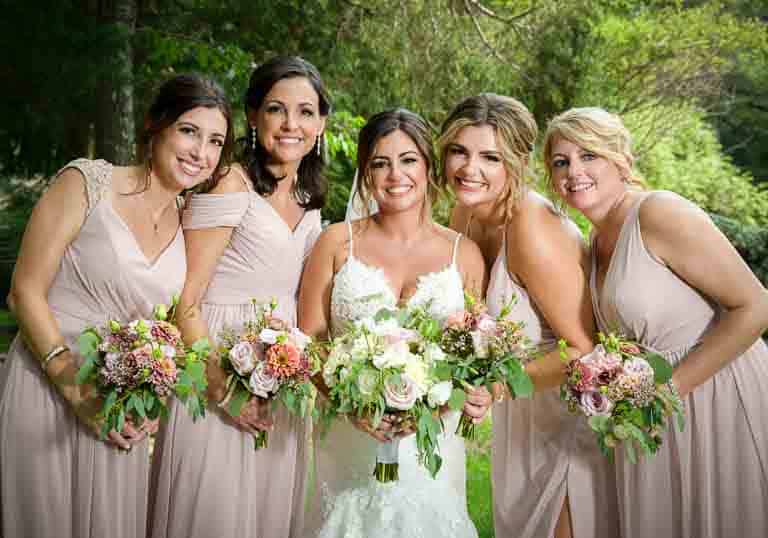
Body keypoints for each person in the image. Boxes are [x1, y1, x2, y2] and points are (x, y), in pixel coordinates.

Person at [1, 73, 232, 538]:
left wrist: (149, 397)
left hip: (119, 408)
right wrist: (77, 394)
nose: (200, 152)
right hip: (49, 390)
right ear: (155, 125)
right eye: (189, 130)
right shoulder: (87, 181)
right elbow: (23, 291)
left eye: (215, 141)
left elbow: (169, 326)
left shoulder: (189, 224)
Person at [543, 106, 768, 538]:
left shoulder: (658, 212)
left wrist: (670, 390)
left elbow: (756, 306)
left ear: (621, 160)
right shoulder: (594, 239)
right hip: (656, 407)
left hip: (716, 391)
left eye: (589, 155)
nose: (575, 171)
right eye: (561, 161)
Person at [148, 56, 329, 538]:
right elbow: (184, 300)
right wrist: (222, 389)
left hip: (282, 379)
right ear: (252, 116)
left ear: (322, 122)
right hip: (220, 369)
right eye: (276, 109)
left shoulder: (312, 196)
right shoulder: (230, 181)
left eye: (306, 112)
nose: (292, 124)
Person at [299, 108, 485, 538]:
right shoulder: (335, 243)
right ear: (366, 173)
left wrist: (440, 404)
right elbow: (308, 338)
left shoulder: (465, 254)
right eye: (380, 163)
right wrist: (351, 405)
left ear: (428, 168)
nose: (395, 174)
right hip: (350, 433)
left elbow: (474, 352)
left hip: (432, 436)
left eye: (408, 160)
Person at [442, 93, 619, 538]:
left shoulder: (532, 228)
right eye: (459, 151)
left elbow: (584, 349)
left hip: (568, 419)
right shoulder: (464, 212)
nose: (469, 168)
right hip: (520, 416)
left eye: (490, 157)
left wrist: (497, 387)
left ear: (516, 163)